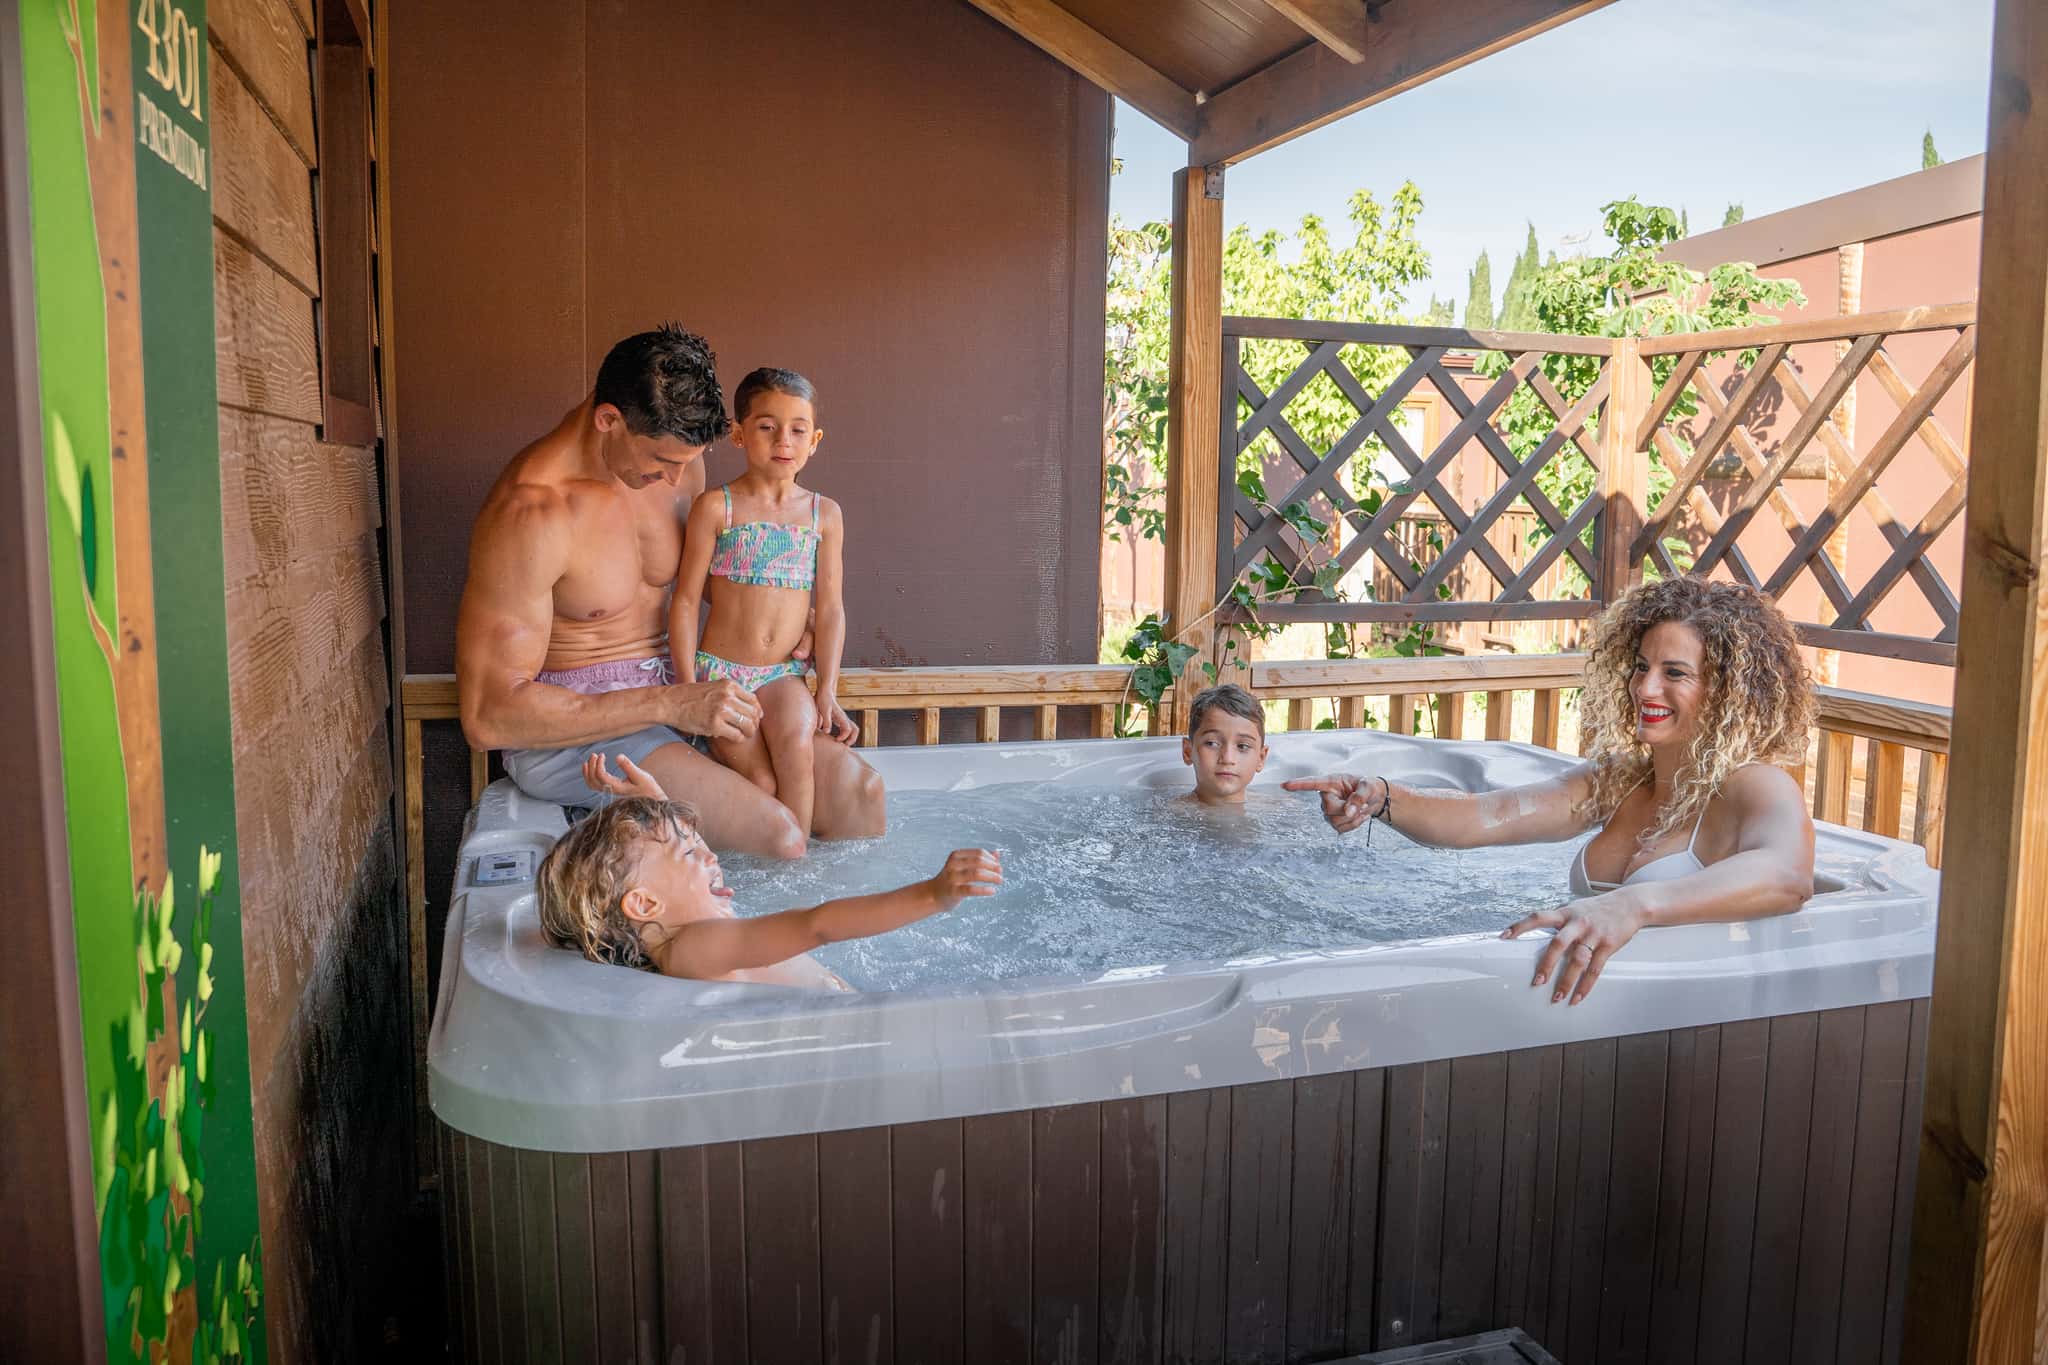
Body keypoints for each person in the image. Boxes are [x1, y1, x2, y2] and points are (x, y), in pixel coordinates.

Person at [455, 325, 884, 859]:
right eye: (663, 462)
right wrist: (671, 703)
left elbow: (705, 586)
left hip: (686, 689)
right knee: (779, 836)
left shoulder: (679, 463)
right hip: (582, 733)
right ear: (609, 420)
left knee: (860, 797)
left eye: (689, 461)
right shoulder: (532, 512)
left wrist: (800, 618)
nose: (679, 479)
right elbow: (488, 717)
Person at [1284, 577, 1816, 1004]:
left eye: (1674, 673)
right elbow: (1484, 816)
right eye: (1641, 667)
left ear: (1725, 692)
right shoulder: (1620, 780)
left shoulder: (1753, 784)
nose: (1644, 687)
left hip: (1677, 1017)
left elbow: (1788, 876)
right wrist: (1381, 796)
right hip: (1596, 1007)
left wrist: (1635, 905)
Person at [538, 754, 1000, 988]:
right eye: (689, 853)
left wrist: (658, 806)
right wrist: (931, 896)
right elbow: (817, 925)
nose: (710, 857)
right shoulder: (694, 948)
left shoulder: (679, 936)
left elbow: (675, 863)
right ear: (644, 904)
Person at [670, 368, 850, 836]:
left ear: (815, 441)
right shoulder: (717, 506)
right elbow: (685, 602)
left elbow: (831, 609)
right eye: (767, 426)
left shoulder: (823, 514)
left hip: (783, 675)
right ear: (738, 434)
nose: (783, 441)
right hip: (722, 672)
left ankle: (799, 867)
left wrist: (827, 688)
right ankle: (759, 862)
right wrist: (687, 688)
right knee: (762, 781)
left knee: (798, 750)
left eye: (798, 430)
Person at [1179, 683, 1270, 807]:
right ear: (1188, 752)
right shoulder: (1172, 813)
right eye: (1212, 743)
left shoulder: (1278, 808)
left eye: (1242, 746)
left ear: (1261, 758)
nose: (1227, 759)